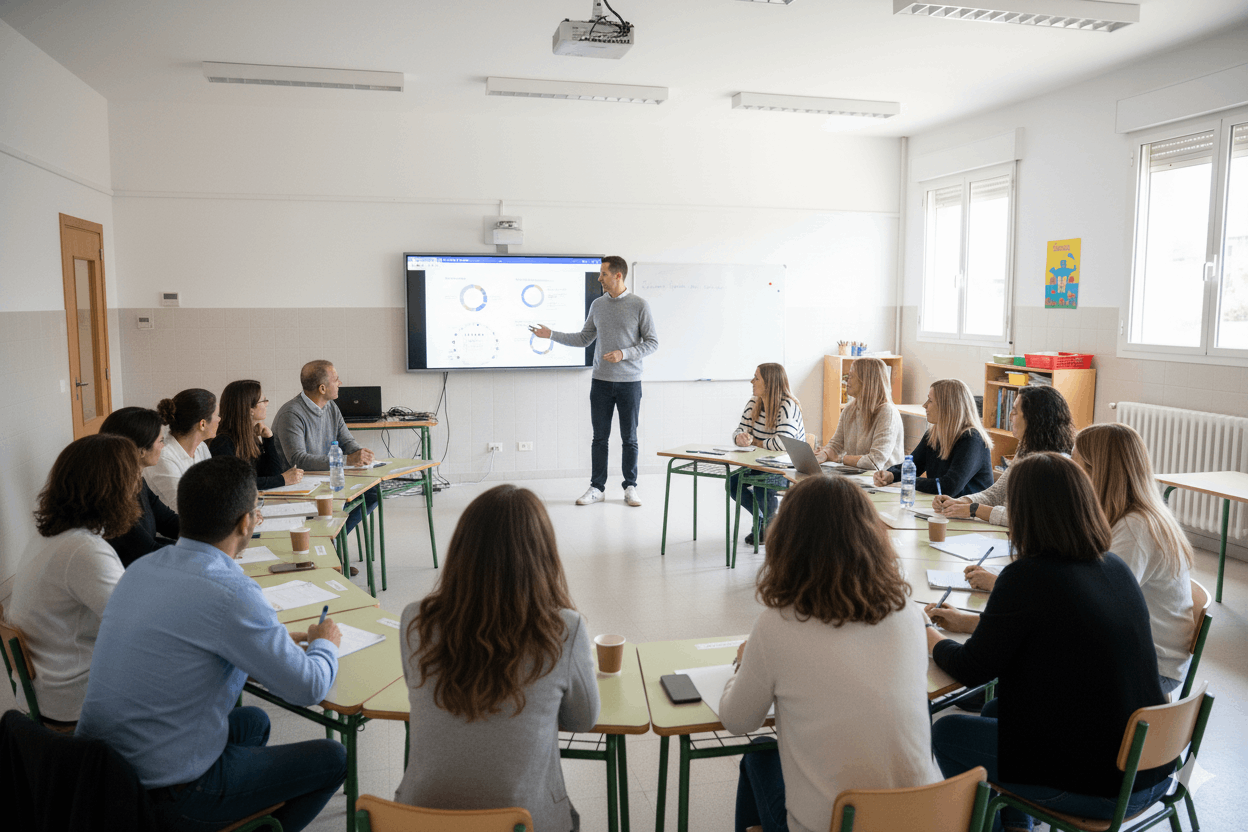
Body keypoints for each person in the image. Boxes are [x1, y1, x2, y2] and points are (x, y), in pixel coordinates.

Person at [76, 457, 347, 832]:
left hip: (102, 774)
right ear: (245, 522)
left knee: (253, 722)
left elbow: (189, 640)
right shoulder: (231, 592)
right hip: (165, 793)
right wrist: (324, 644)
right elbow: (309, 687)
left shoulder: (142, 568)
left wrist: (265, 644)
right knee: (333, 758)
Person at [926, 453, 1172, 832]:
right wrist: (970, 624)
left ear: (1025, 514)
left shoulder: (1027, 577)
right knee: (996, 709)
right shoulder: (1114, 567)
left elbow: (970, 669)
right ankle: (1017, 823)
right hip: (1150, 765)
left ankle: (1001, 825)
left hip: (1104, 786)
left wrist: (928, 634)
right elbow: (1043, 632)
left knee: (946, 732)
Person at [719, 475, 938, 832]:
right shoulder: (909, 613)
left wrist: (743, 664)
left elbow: (737, 720)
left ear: (787, 543)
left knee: (759, 756)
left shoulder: (777, 626)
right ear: (872, 538)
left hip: (837, 824)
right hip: (927, 818)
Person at [395, 484, 599, 831]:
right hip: (520, 822)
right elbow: (583, 720)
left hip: (418, 821)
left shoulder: (415, 620)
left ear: (461, 550)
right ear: (543, 555)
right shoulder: (565, 628)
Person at [7, 434, 140, 728]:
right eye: (133, 479)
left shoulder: (52, 535)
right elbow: (134, 625)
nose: (137, 487)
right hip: (70, 695)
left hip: (46, 683)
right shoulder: (84, 550)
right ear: (113, 488)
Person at [1074, 423, 1196, 696]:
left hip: (1151, 669)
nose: (1070, 473)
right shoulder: (1125, 515)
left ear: (1098, 472)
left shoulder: (1135, 527)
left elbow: (1097, 604)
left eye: (1075, 465)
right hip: (1136, 653)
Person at [531, 256, 659, 507]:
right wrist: (551, 335)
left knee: (629, 438)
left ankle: (630, 487)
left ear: (618, 275)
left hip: (630, 382)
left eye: (603, 274)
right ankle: (597, 488)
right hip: (601, 381)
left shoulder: (639, 305)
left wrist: (624, 353)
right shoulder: (598, 305)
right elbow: (584, 338)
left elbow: (652, 342)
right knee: (599, 438)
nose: (599, 278)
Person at [932, 384, 1075, 535]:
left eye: (1015, 411)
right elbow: (996, 494)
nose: (1010, 416)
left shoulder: (1055, 464)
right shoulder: (1026, 450)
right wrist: (961, 502)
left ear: (1034, 418)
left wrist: (974, 509)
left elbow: (1028, 518)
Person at [272, 360, 376, 536]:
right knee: (344, 502)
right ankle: (331, 540)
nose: (340, 383)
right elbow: (298, 460)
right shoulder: (291, 414)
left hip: (323, 478)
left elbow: (346, 441)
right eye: (336, 379)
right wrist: (346, 460)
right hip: (298, 485)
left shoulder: (330, 406)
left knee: (372, 494)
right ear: (322, 388)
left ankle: (335, 538)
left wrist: (360, 453)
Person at [873, 378, 992, 497]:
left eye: (930, 401)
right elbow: (913, 465)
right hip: (942, 504)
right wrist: (891, 475)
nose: (924, 405)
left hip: (968, 508)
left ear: (947, 407)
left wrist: (908, 481)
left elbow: (949, 486)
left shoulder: (972, 439)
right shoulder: (933, 434)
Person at [729, 363, 805, 545]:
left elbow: (783, 444)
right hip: (759, 463)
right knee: (732, 483)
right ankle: (765, 521)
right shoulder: (754, 402)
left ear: (769, 383)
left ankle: (769, 528)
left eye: (757, 378)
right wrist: (740, 437)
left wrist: (755, 441)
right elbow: (740, 429)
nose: (752, 381)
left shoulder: (787, 406)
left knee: (762, 486)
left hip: (788, 468)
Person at [99, 406, 180, 567]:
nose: (163, 446)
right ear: (141, 450)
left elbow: (168, 522)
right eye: (160, 441)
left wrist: (212, 536)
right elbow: (147, 552)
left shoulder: (135, 481)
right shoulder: (113, 496)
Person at [210, 379, 304, 490]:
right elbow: (236, 483)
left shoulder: (251, 437)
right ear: (250, 410)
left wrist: (268, 439)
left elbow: (273, 473)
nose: (267, 404)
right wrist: (283, 479)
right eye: (263, 401)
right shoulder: (222, 443)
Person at [814, 357, 904, 471]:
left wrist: (840, 459)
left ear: (866, 381)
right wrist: (824, 454)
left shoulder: (887, 413)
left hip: (881, 478)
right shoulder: (850, 409)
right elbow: (836, 445)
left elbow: (875, 462)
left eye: (851, 376)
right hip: (857, 474)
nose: (847, 381)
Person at [145, 388, 217, 509]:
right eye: (217, 415)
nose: (219, 419)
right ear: (203, 424)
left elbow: (215, 489)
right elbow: (184, 506)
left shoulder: (201, 447)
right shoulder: (163, 456)